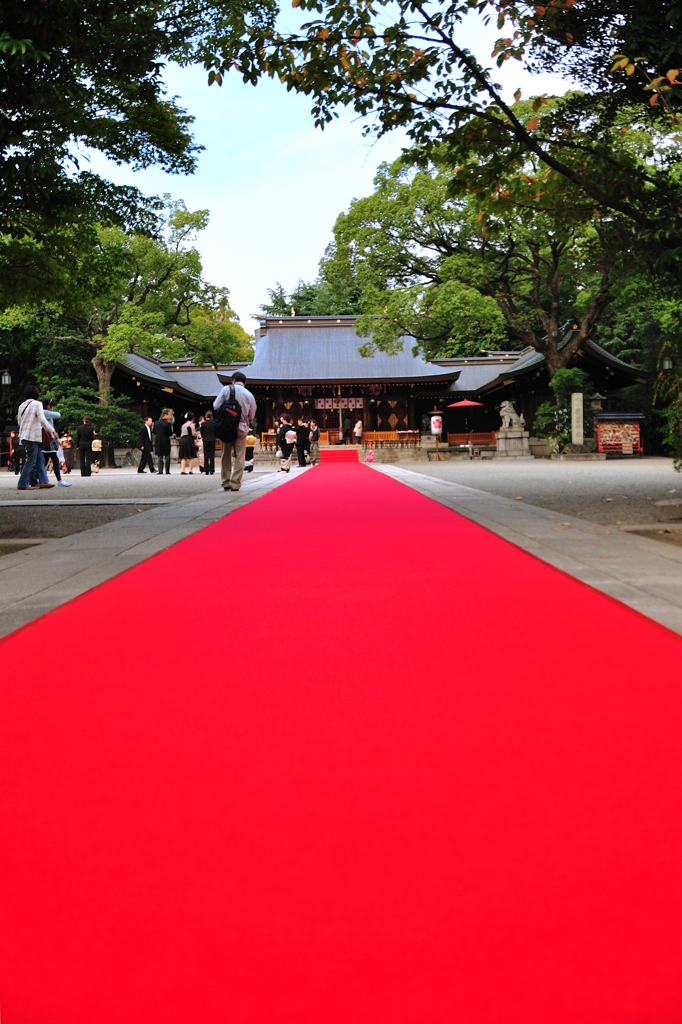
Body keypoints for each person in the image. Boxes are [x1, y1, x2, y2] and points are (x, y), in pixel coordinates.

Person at [213, 371, 257, 492]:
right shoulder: (249, 394)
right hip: (242, 427)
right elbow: (252, 415)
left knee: (225, 454)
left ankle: (225, 481)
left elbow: (216, 405)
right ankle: (235, 482)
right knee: (240, 456)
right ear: (245, 383)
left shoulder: (226, 389)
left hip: (227, 427)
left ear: (233, 380)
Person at [16, 385, 57, 490]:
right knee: (31, 460)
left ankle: (44, 481)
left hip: (24, 435)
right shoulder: (37, 404)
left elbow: (19, 421)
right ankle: (22, 483)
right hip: (32, 436)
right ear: (36, 394)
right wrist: (53, 431)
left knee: (39, 458)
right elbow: (42, 420)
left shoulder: (21, 405)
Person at [40, 398, 71, 487]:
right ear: (49, 405)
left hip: (48, 440)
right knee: (54, 460)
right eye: (52, 406)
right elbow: (58, 415)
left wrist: (57, 440)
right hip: (48, 441)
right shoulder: (44, 412)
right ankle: (59, 480)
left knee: (44, 461)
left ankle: (42, 479)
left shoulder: (43, 413)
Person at [154, 408, 173, 475]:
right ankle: (167, 470)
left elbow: (154, 432)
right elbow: (170, 433)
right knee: (167, 455)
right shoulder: (167, 424)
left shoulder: (156, 423)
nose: (170, 417)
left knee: (160, 456)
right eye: (169, 415)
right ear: (165, 415)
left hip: (158, 440)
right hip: (166, 440)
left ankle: (160, 470)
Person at [200, 410, 216, 475]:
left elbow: (202, 432)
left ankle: (206, 469)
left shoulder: (203, 424)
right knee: (212, 455)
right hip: (212, 439)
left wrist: (204, 437)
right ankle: (212, 469)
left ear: (206, 416)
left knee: (206, 455)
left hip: (206, 439)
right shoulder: (213, 424)